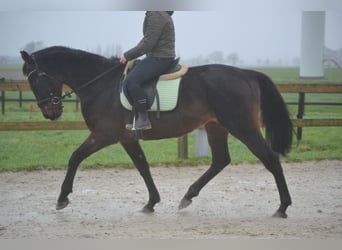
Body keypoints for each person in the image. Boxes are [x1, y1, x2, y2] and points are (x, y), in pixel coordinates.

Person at [120, 11, 176, 130]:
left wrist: (128, 55)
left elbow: (148, 44)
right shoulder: (158, 13)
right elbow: (146, 39)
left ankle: (143, 118)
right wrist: (131, 54)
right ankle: (136, 117)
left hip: (159, 58)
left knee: (131, 81)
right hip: (160, 56)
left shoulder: (156, 14)